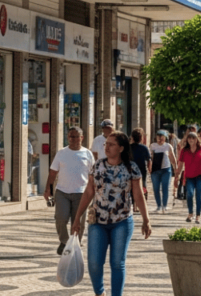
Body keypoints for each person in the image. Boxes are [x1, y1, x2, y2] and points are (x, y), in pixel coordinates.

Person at [71, 130, 152, 296]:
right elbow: (88, 192)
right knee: (94, 263)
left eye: (111, 144)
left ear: (121, 148)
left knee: (117, 263)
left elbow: (138, 194)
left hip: (122, 221)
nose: (106, 147)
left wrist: (146, 219)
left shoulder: (131, 168)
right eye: (106, 144)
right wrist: (77, 218)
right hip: (98, 222)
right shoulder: (98, 165)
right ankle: (100, 292)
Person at [44, 126, 94, 254]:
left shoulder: (87, 154)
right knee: (60, 218)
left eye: (77, 136)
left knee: (79, 222)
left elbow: (93, 175)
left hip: (81, 193)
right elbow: (53, 173)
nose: (74, 139)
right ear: (68, 138)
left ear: (82, 138)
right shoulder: (61, 153)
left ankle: (76, 244)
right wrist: (48, 190)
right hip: (62, 192)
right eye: (71, 136)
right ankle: (64, 241)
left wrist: (95, 193)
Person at [175, 132, 201, 223]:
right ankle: (190, 213)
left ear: (196, 139)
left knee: (198, 195)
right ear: (187, 139)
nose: (191, 140)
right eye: (189, 138)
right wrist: (177, 177)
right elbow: (180, 165)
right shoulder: (184, 150)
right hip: (189, 177)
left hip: (200, 176)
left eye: (193, 138)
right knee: (189, 194)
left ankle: (198, 216)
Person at [149, 130, 177, 214]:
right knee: (156, 188)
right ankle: (158, 206)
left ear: (165, 138)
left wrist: (175, 167)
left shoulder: (168, 146)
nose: (160, 139)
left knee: (165, 188)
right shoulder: (152, 146)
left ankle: (164, 206)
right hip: (155, 170)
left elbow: (172, 157)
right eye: (158, 136)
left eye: (162, 137)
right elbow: (150, 157)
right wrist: (149, 167)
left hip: (166, 170)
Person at [129, 129, 151, 213]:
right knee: (142, 187)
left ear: (132, 138)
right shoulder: (144, 148)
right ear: (141, 138)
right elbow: (149, 160)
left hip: (130, 170)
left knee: (132, 188)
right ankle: (140, 205)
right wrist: (150, 169)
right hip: (141, 170)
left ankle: (134, 206)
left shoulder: (128, 147)